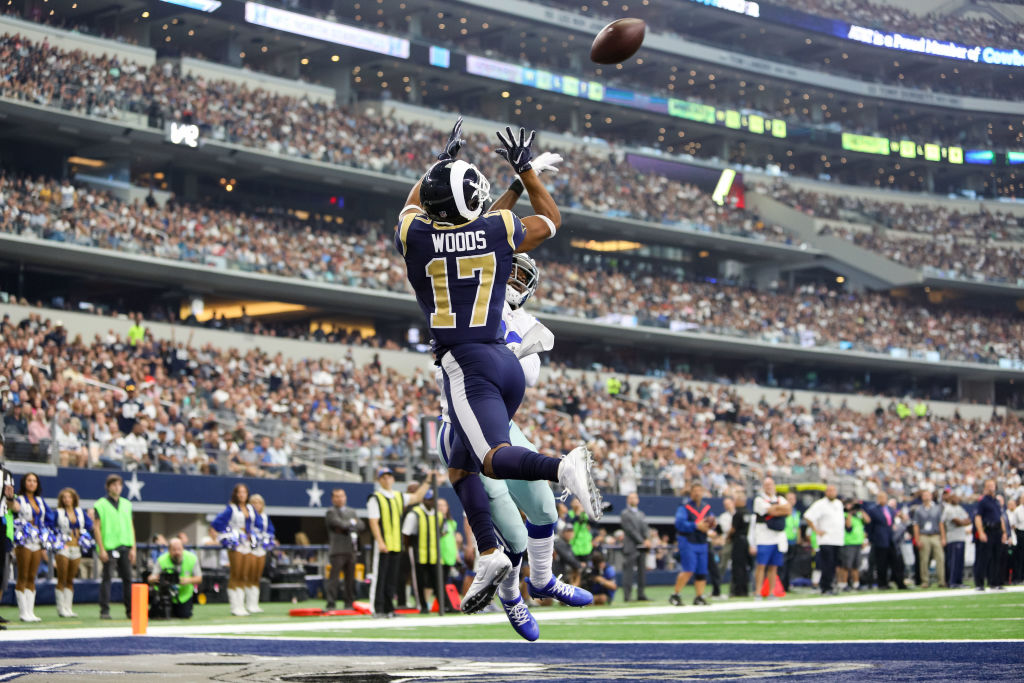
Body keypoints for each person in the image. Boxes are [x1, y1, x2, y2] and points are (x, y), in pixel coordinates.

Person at [396, 118, 600, 615]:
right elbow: (548, 220)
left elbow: (411, 206)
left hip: (467, 364)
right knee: (461, 461)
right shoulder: (496, 229)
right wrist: (525, 171)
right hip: (502, 362)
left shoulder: (417, 240)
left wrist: (436, 169)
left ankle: (561, 467)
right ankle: (490, 555)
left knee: (490, 458)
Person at [434, 249, 593, 636]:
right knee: (513, 534)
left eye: (522, 278)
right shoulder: (469, 301)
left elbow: (531, 374)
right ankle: (511, 598)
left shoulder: (526, 319)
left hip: (503, 423)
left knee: (543, 507)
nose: (513, 282)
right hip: (460, 422)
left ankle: (542, 579)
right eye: (510, 273)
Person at [367, 468, 432, 618]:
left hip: (396, 543)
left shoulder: (398, 496)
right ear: (379, 480)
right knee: (380, 577)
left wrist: (428, 481)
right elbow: (373, 522)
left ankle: (389, 608)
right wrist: (380, 541)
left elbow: (416, 497)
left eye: (389, 476)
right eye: (383, 477)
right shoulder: (375, 498)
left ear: (393, 479)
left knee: (391, 578)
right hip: (383, 544)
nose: (387, 479)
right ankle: (377, 609)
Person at [91, 473, 137, 619]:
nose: (117, 488)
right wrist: (101, 549)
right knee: (107, 578)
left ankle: (130, 611)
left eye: (119, 485)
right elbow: (96, 528)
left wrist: (133, 548)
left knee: (128, 579)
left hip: (125, 545)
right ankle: (104, 610)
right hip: (109, 547)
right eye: (114, 485)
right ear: (108, 486)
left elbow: (131, 526)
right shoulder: (100, 504)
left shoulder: (127, 504)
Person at [210, 483, 255, 616]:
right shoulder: (231, 509)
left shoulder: (250, 509)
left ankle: (242, 605)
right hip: (235, 543)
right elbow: (216, 523)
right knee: (236, 573)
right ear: (235, 494)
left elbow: (255, 524)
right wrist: (223, 535)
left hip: (247, 543)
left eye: (244, 492)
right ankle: (234, 606)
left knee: (244, 575)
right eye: (239, 492)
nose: (242, 495)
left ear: (247, 494)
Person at [401, 489, 448, 614]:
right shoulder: (415, 513)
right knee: (419, 581)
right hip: (418, 552)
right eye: (428, 499)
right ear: (423, 499)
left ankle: (444, 605)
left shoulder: (438, 515)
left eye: (433, 500)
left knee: (438, 580)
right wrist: (409, 549)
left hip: (434, 554)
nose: (431, 502)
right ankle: (422, 605)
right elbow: (406, 533)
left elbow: (443, 531)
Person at [13, 472, 51, 622]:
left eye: (34, 481)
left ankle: (30, 611)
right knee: (22, 575)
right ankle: (23, 612)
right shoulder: (19, 499)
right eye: (29, 480)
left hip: (37, 540)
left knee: (32, 576)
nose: (31, 483)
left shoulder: (40, 501)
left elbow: (49, 518)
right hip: (24, 539)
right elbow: (13, 508)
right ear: (24, 483)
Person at [671, 482, 714, 606]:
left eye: (699, 490)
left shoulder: (706, 508)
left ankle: (699, 596)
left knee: (702, 571)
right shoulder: (684, 507)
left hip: (702, 541)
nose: (697, 493)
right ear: (691, 493)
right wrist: (696, 525)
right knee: (688, 569)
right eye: (695, 490)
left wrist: (710, 527)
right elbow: (679, 523)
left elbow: (711, 522)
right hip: (688, 541)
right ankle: (676, 594)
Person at [53, 487, 94, 618]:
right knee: (62, 578)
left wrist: (93, 517)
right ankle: (61, 608)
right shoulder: (58, 513)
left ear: (74, 498)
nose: (67, 500)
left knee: (70, 579)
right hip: (63, 547)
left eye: (69, 497)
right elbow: (51, 526)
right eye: (64, 497)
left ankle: (68, 608)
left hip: (76, 547)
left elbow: (89, 525)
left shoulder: (80, 512)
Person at [751, 476, 790, 599]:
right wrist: (777, 509)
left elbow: (788, 510)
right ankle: (758, 591)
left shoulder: (780, 498)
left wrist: (774, 509)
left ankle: (771, 592)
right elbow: (769, 511)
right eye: (767, 485)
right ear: (763, 486)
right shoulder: (759, 499)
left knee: (774, 567)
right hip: (763, 538)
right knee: (761, 566)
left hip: (777, 539)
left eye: (771, 485)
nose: (769, 487)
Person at [325, 487, 364, 610]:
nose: (340, 499)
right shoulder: (331, 512)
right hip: (337, 550)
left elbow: (361, 525)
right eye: (337, 496)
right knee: (334, 578)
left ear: (345, 497)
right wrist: (352, 523)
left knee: (350, 579)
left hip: (351, 549)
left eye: (341, 496)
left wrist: (349, 524)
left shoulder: (352, 511)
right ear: (332, 499)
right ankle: (331, 602)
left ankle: (349, 602)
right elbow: (338, 524)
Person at [803, 484, 845, 595]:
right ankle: (826, 587)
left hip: (838, 539)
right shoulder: (820, 504)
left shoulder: (839, 503)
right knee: (827, 564)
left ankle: (831, 584)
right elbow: (808, 516)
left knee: (834, 564)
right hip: (826, 539)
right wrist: (816, 530)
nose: (831, 493)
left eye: (833, 490)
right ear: (826, 492)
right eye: (829, 491)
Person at [147, 538, 201, 619]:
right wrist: (152, 579)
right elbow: (151, 578)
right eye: (174, 550)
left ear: (183, 549)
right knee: (155, 614)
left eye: (179, 549)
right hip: (165, 594)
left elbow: (199, 578)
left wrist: (188, 580)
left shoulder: (192, 558)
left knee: (184, 615)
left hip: (184, 596)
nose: (177, 552)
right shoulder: (162, 560)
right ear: (169, 550)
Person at [973, 479, 1004, 591]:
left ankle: (994, 582)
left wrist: (1004, 532)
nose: (991, 488)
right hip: (988, 530)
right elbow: (978, 517)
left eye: (992, 485)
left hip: (997, 531)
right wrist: (981, 532)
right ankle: (979, 583)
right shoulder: (982, 501)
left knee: (997, 558)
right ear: (985, 488)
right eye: (989, 486)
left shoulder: (996, 501)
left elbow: (1001, 517)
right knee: (984, 558)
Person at [620, 491, 651, 602]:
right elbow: (630, 531)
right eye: (631, 498)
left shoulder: (641, 514)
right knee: (628, 573)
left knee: (642, 572)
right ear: (628, 500)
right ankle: (627, 596)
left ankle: (641, 594)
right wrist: (643, 541)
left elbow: (646, 528)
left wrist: (647, 539)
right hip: (631, 547)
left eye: (635, 497)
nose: (633, 499)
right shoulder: (625, 514)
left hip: (642, 548)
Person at [912, 489, 945, 588]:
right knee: (924, 559)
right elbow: (916, 525)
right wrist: (917, 539)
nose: (926, 497)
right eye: (924, 495)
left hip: (935, 535)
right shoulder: (918, 509)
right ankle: (925, 581)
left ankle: (941, 581)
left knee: (940, 558)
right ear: (922, 497)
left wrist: (943, 537)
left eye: (928, 495)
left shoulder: (937, 508)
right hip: (924, 535)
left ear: (931, 496)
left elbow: (941, 523)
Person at [248, 493, 275, 614]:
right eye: (254, 503)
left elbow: (270, 530)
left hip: (261, 548)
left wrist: (267, 539)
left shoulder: (265, 516)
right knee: (249, 575)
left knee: (257, 576)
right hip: (250, 548)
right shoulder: (248, 516)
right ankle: (247, 603)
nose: (256, 505)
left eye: (259, 503)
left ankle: (254, 603)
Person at [941, 490, 971, 588]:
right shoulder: (948, 509)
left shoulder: (959, 508)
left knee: (960, 561)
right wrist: (963, 522)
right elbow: (957, 522)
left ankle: (959, 581)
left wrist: (963, 522)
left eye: (956, 497)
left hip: (961, 537)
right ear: (950, 499)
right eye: (954, 497)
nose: (956, 499)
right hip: (953, 538)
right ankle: (952, 581)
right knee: (953, 561)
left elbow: (968, 519)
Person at [0, 435, 15, 627]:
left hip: (0, 523)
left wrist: (11, 498)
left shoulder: (7, 474)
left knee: (0, 569)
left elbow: (11, 506)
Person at [838, 500, 866, 591]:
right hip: (848, 543)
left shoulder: (857, 516)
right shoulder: (844, 515)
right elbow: (848, 526)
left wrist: (860, 510)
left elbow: (868, 520)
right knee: (846, 565)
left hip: (857, 543)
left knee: (855, 565)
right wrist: (849, 512)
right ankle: (843, 584)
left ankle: (856, 584)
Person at [729, 490, 752, 597]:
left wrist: (728, 537)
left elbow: (733, 529)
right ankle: (745, 590)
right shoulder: (748, 513)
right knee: (744, 566)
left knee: (737, 566)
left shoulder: (737, 513)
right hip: (747, 541)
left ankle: (738, 590)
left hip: (738, 541)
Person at [780, 491, 801, 591]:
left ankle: (787, 585)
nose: (791, 501)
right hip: (783, 541)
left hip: (792, 541)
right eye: (789, 499)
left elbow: (797, 527)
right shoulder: (782, 511)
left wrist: (798, 538)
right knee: (782, 565)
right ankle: (781, 586)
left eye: (793, 499)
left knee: (790, 565)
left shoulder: (796, 512)